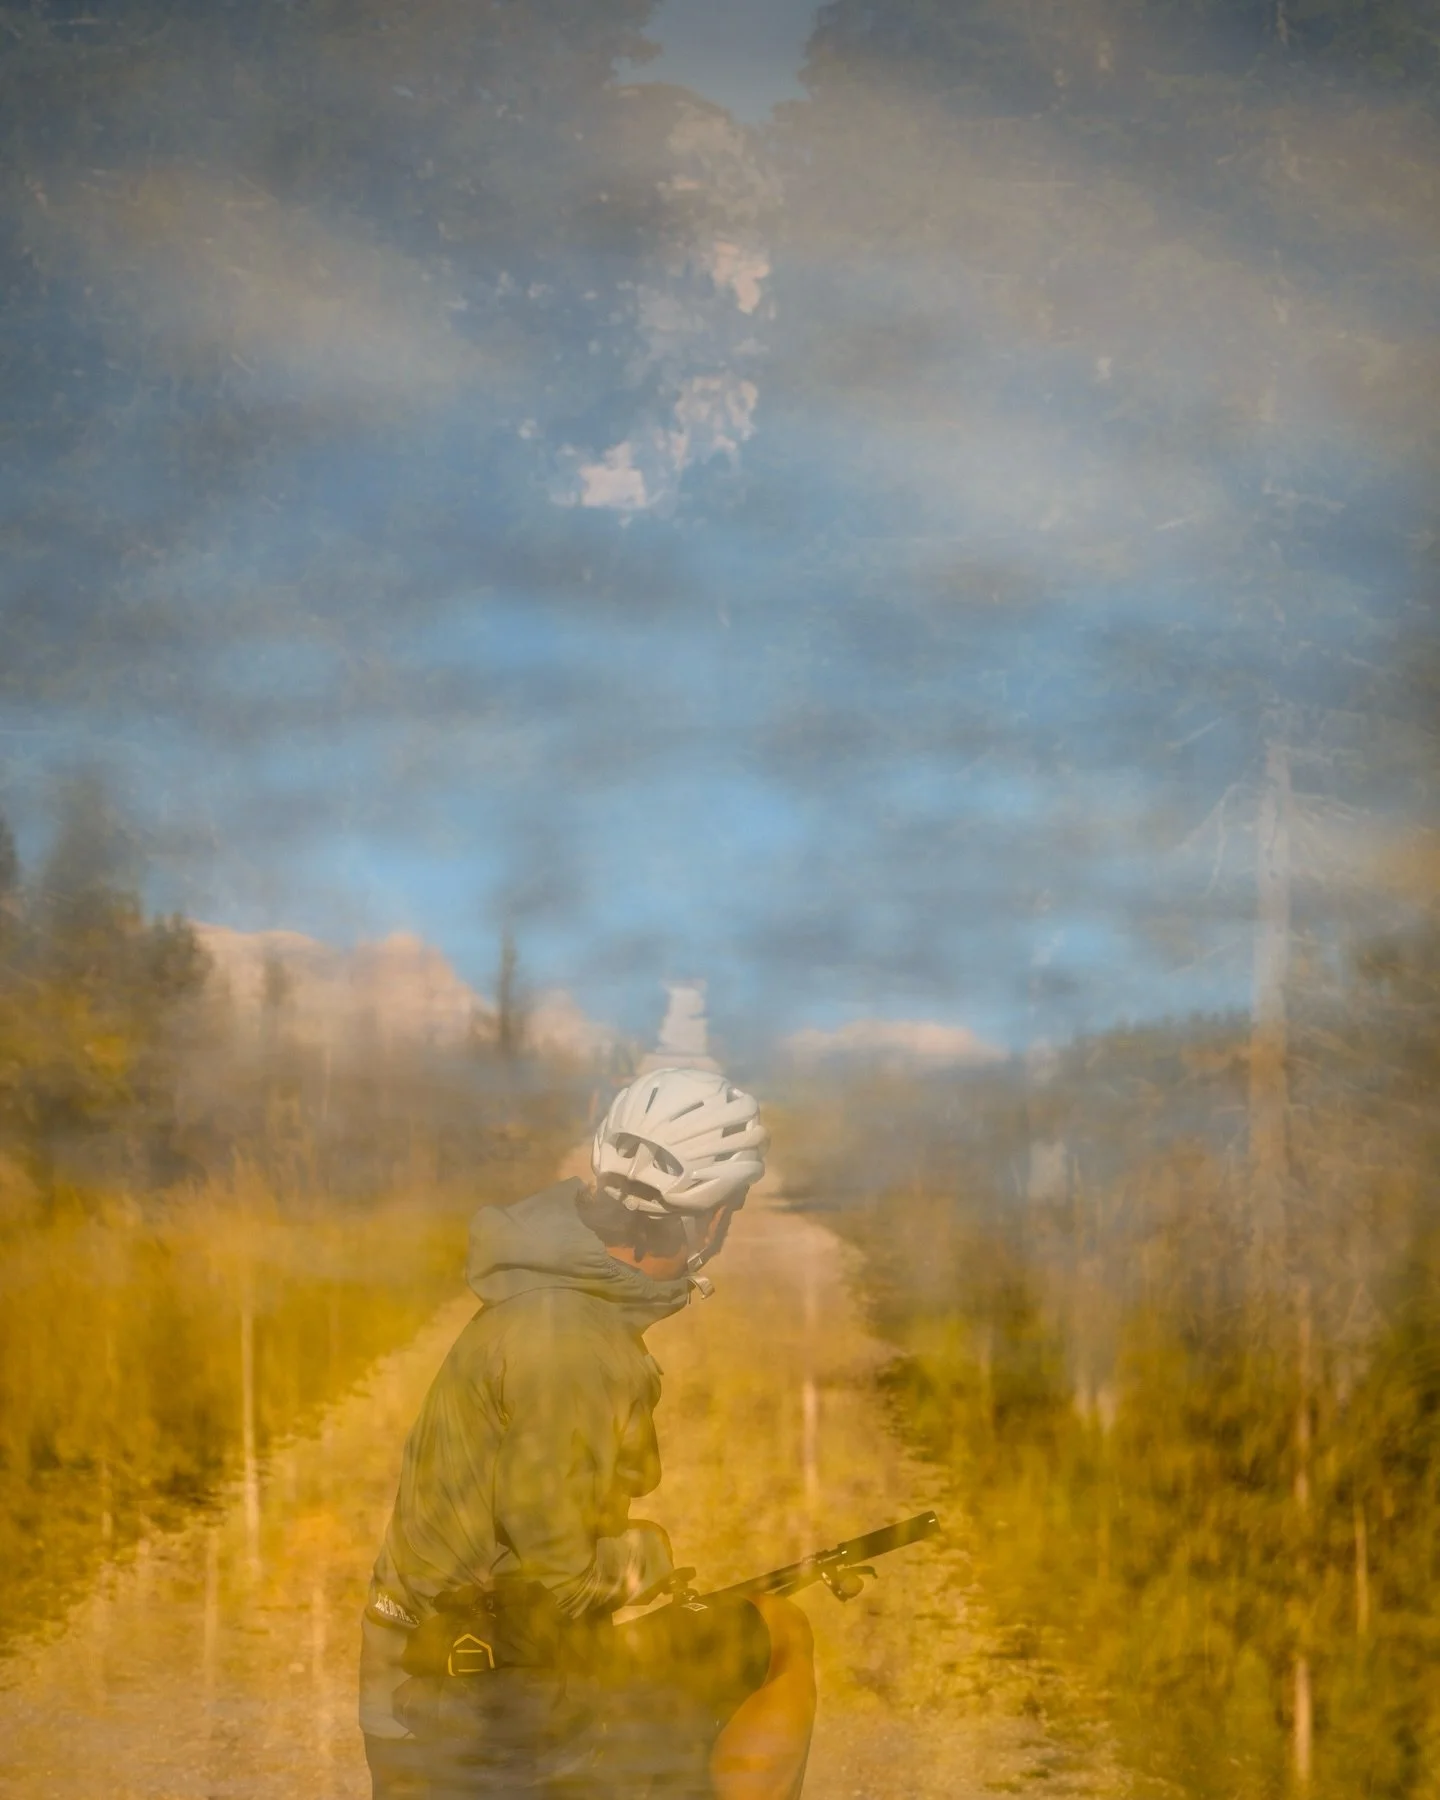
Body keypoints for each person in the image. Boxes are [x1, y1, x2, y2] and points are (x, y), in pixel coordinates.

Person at [359, 1065, 817, 1798]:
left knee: (744, 1629)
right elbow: (562, 1577)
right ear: (712, 1217)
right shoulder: (569, 1342)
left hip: (445, 1678)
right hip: (478, 1718)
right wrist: (646, 1557)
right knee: (780, 1634)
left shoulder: (552, 1296)